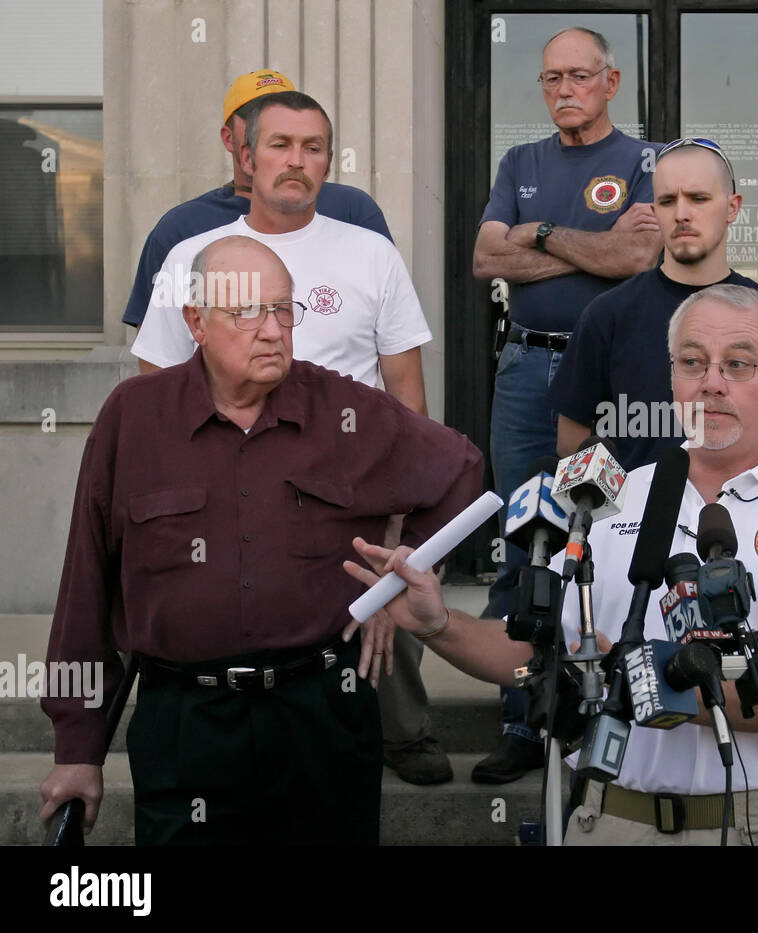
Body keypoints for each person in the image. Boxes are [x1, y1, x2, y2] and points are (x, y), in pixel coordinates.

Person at [345, 284, 758, 845]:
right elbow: (536, 659)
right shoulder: (610, 498)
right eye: (692, 362)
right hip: (609, 821)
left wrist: (651, 682)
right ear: (672, 378)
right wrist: (438, 623)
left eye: (739, 363)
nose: (712, 382)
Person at [39, 237, 483, 844]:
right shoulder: (135, 419)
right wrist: (77, 748)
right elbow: (85, 585)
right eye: (246, 311)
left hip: (320, 715)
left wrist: (397, 578)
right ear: (195, 320)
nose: (272, 330)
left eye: (282, 309)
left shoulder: (343, 409)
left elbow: (461, 468)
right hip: (186, 725)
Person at [130, 90, 449, 787]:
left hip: (346, 508)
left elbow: (412, 408)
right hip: (225, 502)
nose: (296, 162)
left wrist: (399, 539)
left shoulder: (370, 254)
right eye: (279, 145)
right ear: (246, 155)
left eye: (313, 148)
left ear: (329, 161)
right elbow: (151, 412)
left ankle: (402, 734)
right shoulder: (189, 254)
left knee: (349, 690)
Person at [470, 26, 662, 783]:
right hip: (526, 368)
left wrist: (542, 233)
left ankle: (607, 716)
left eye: (579, 76)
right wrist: (590, 244)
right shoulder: (520, 160)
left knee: (609, 536)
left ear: (612, 83)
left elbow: (636, 257)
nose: (563, 90)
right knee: (528, 535)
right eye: (551, 78)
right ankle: (525, 720)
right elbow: (488, 257)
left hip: (613, 380)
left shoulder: (646, 161)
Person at [548, 137, 758, 470]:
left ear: (732, 207)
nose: (681, 214)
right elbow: (571, 438)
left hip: (741, 519)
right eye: (667, 201)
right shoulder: (608, 315)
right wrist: (627, 505)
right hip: (635, 518)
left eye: (698, 198)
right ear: (654, 212)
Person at [122, 69, 392, 332]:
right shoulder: (181, 227)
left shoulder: (352, 209)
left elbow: (392, 324)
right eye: (258, 114)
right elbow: (159, 348)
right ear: (230, 139)